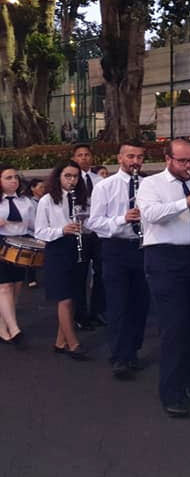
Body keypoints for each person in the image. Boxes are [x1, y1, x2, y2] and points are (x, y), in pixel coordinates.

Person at [137, 139, 190, 418]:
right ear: (167, 159)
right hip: (167, 259)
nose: (188, 166)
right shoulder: (151, 185)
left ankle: (186, 381)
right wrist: (187, 200)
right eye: (182, 161)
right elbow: (151, 215)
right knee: (174, 328)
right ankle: (170, 392)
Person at [86, 140, 150, 379]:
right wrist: (122, 219)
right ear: (120, 158)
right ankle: (119, 356)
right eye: (131, 156)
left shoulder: (148, 185)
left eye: (140, 157)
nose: (135, 161)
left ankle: (133, 349)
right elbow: (95, 222)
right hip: (116, 249)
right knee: (118, 303)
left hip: (143, 248)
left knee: (141, 303)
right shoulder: (105, 186)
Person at [34, 161, 92, 359]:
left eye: (75, 177)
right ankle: (73, 344)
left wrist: (85, 225)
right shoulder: (47, 200)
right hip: (58, 249)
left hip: (77, 247)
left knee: (74, 296)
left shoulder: (81, 197)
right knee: (64, 298)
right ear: (58, 176)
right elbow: (40, 231)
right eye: (67, 176)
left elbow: (90, 223)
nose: (72, 180)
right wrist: (62, 230)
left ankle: (60, 342)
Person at [72, 143, 106, 330]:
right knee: (80, 275)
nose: (84, 158)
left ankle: (98, 311)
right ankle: (80, 314)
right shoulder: (71, 181)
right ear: (74, 158)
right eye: (80, 155)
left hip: (98, 233)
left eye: (87, 155)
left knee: (101, 273)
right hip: (80, 233)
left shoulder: (99, 181)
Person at [0, 165, 35, 345]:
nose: (13, 180)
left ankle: (2, 324)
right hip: (1, 243)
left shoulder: (26, 202)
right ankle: (14, 330)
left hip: (21, 245)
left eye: (15, 177)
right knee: (4, 287)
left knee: (16, 287)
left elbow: (33, 225)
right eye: (8, 177)